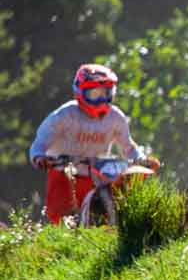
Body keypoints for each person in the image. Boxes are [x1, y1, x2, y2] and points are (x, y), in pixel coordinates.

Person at [28, 63, 145, 224]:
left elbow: (129, 146)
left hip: (96, 175)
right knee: (60, 218)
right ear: (80, 92)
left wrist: (141, 159)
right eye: (95, 94)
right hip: (62, 173)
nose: (101, 100)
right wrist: (39, 157)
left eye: (106, 93)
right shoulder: (65, 114)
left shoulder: (116, 118)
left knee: (101, 218)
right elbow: (40, 142)